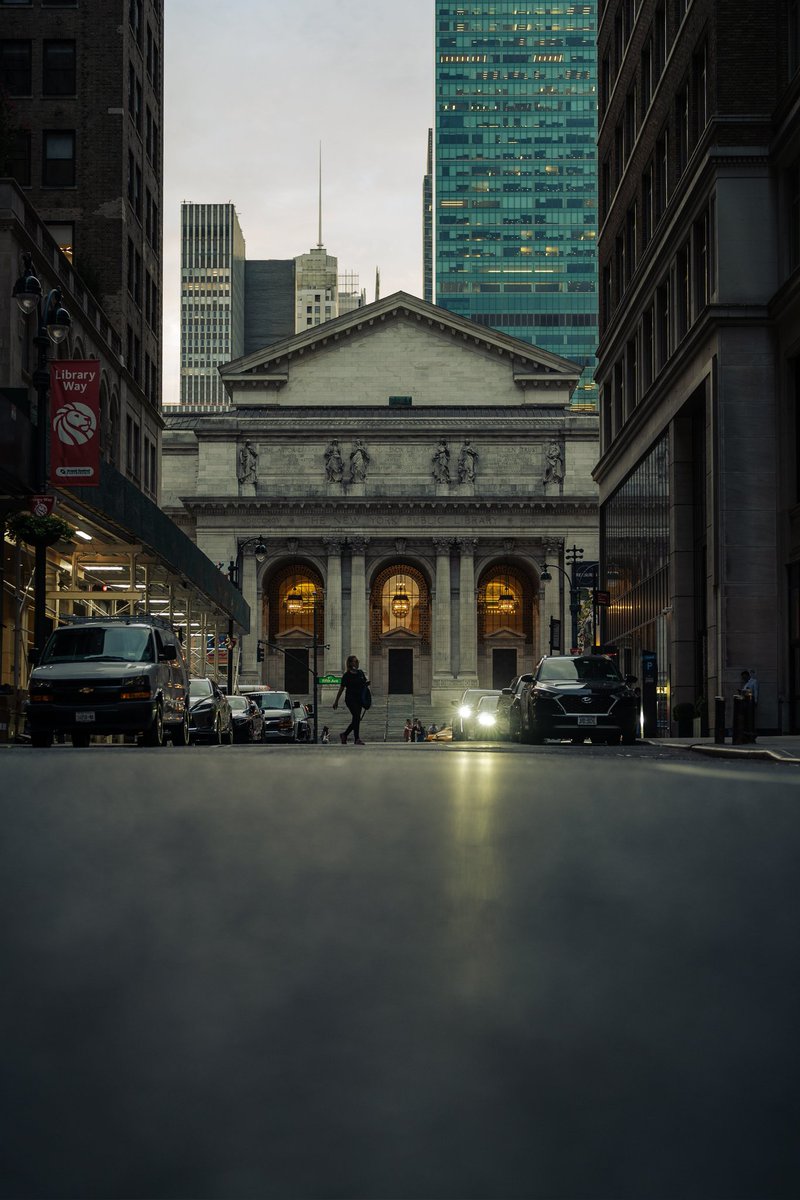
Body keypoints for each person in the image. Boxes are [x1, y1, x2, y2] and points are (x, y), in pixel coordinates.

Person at [332, 655, 370, 744]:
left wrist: (367, 684)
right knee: (356, 717)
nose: (357, 663)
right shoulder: (346, 675)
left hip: (360, 699)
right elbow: (341, 689)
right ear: (350, 663)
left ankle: (344, 734)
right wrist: (336, 701)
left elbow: (364, 684)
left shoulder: (360, 673)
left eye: (358, 661)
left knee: (356, 718)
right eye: (355, 661)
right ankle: (356, 739)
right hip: (350, 699)